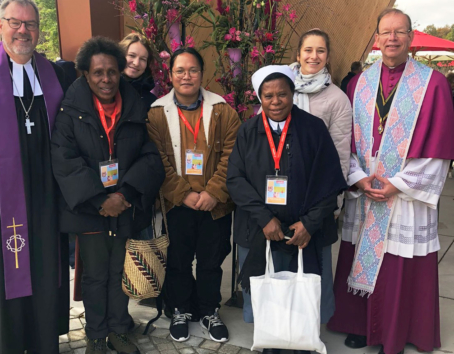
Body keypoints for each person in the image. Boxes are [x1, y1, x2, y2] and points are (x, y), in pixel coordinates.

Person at [327, 8, 454, 354]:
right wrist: (359, 178)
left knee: (399, 264)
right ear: (377, 39)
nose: (392, 38)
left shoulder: (434, 84)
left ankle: (394, 332)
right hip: (368, 189)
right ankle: (358, 324)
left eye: (400, 32)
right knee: (357, 255)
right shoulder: (359, 83)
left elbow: (440, 147)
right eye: (386, 32)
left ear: (411, 37)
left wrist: (398, 183)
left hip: (404, 194)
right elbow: (346, 140)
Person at [0, 0, 70, 354]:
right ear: (1, 25)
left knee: (43, 273)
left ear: (39, 30)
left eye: (31, 24)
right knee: (0, 279)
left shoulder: (54, 75)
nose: (23, 30)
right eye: (15, 22)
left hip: (44, 204)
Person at [51, 37, 165, 354]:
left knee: (119, 273)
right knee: (96, 275)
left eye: (112, 72)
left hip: (124, 206)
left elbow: (149, 157)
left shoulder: (134, 107)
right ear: (86, 75)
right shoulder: (70, 112)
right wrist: (101, 200)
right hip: (90, 210)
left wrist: (125, 194)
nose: (106, 79)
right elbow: (64, 161)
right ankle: (97, 334)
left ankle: (118, 330)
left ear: (119, 73)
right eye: (98, 72)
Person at [226, 65, 347, 354]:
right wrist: (265, 218)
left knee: (303, 292)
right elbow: (235, 179)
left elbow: (330, 182)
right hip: (261, 230)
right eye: (268, 96)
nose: (276, 101)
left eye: (282, 94)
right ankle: (271, 341)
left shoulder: (313, 128)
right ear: (260, 98)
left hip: (305, 231)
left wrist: (310, 224)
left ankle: (303, 341)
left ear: (293, 94)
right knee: (269, 293)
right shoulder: (248, 131)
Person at [146, 47, 241, 343]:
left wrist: (214, 192)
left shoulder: (223, 110)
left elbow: (233, 154)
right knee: (178, 260)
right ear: (170, 75)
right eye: (179, 71)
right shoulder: (157, 113)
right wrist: (183, 194)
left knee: (212, 261)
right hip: (178, 203)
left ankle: (209, 310)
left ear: (202, 74)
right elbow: (157, 158)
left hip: (215, 204)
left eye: (192, 70)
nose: (186, 76)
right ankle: (180, 309)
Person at [287, 28, 352, 324]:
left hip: (314, 196)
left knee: (314, 265)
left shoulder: (336, 99)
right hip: (277, 191)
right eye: (308, 50)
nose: (314, 56)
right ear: (298, 53)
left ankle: (310, 327)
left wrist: (333, 203)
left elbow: (340, 154)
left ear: (328, 56)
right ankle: (278, 325)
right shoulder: (279, 86)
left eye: (321, 51)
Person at [120, 33, 157, 110]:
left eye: (143, 59)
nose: (136, 63)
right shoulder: (106, 91)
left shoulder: (152, 102)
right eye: (132, 55)